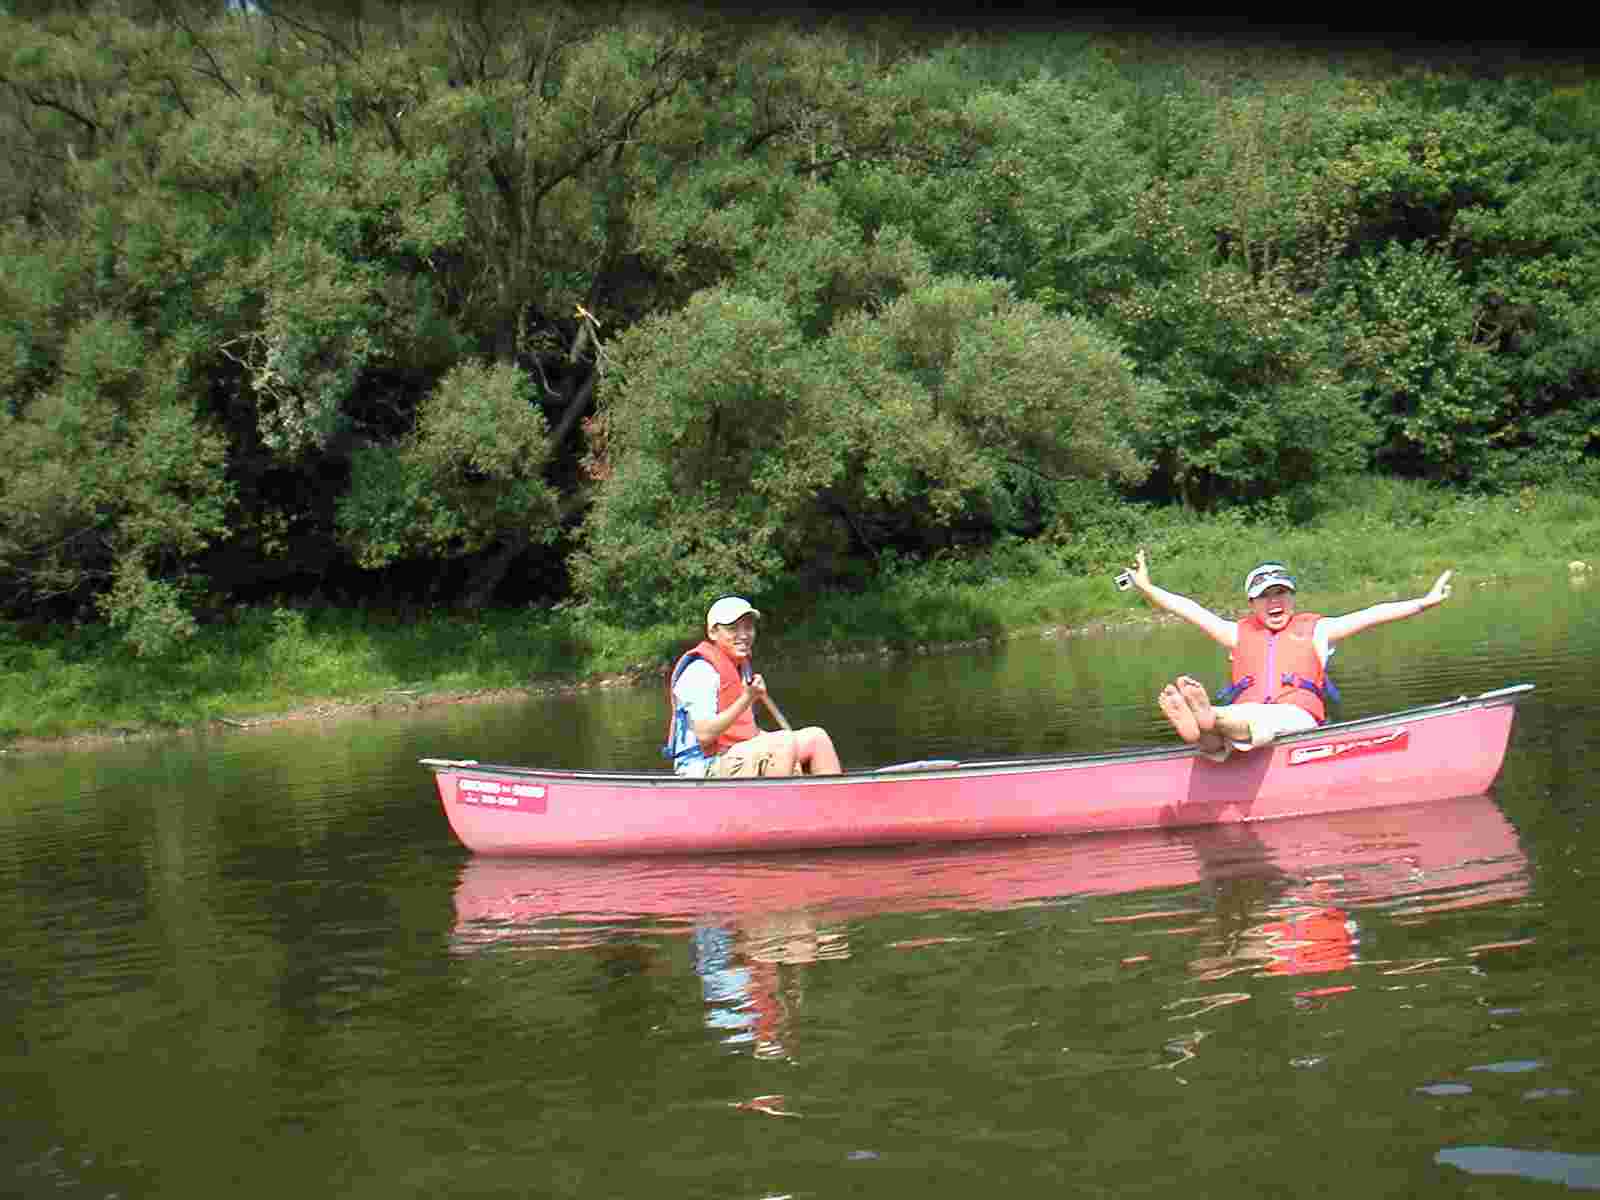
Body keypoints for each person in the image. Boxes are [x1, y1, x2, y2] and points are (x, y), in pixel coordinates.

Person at [1126, 550, 1454, 760]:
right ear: (1251, 604)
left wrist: (1423, 602)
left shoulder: (1319, 630)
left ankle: (1208, 719)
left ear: (1292, 597)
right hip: (1249, 715)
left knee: (1235, 721)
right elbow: (1191, 610)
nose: (1274, 602)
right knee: (1219, 732)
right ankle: (1204, 728)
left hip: (1296, 718)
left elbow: (1373, 613)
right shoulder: (1237, 633)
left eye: (1280, 593)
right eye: (1264, 597)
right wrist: (1148, 589)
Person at [664, 596, 843, 778]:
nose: (743, 635)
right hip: (702, 767)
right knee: (783, 742)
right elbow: (704, 734)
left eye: (748, 627)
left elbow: (744, 733)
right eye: (732, 628)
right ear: (712, 632)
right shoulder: (700, 672)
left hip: (736, 753)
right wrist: (747, 698)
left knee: (817, 738)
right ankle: (778, 804)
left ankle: (835, 801)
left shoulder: (741, 667)